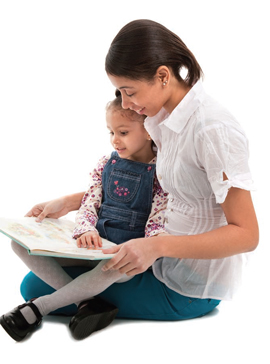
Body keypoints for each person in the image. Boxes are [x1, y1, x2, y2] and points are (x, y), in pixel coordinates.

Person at [2, 18, 259, 340]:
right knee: (32, 279)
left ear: (162, 76)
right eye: (120, 93)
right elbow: (156, 188)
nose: (125, 104)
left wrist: (156, 245)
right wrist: (71, 202)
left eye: (130, 91)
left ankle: (75, 305)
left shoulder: (212, 129)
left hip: (186, 284)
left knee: (37, 289)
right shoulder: (162, 119)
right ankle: (88, 304)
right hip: (154, 256)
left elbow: (247, 235)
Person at [0, 93, 168, 341]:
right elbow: (90, 201)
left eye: (122, 132)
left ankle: (39, 308)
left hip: (124, 256)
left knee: (109, 269)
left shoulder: (161, 172)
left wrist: (148, 247)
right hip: (91, 245)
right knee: (20, 245)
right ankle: (89, 303)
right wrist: (85, 229)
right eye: (110, 132)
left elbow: (158, 219)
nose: (115, 140)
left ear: (148, 131)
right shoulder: (106, 164)